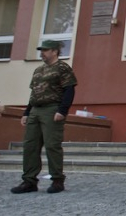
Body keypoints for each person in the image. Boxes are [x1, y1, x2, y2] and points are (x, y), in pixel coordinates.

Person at [11, 39, 78, 194]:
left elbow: (69, 90)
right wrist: (27, 112)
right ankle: (29, 181)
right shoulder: (38, 70)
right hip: (35, 109)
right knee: (30, 145)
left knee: (52, 145)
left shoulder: (62, 68)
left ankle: (57, 180)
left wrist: (62, 111)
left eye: (45, 50)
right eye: (41, 51)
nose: (42, 53)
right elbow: (34, 93)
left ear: (55, 51)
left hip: (51, 108)